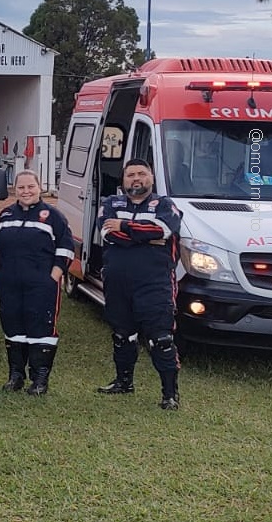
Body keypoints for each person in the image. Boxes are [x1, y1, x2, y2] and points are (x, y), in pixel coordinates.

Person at [96, 159, 184, 410]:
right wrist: (145, 235)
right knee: (122, 334)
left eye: (141, 174)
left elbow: (163, 230)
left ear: (152, 178)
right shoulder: (110, 203)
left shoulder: (165, 205)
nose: (136, 178)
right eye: (130, 174)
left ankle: (169, 394)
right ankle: (124, 382)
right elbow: (107, 233)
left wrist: (124, 226)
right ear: (122, 180)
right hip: (117, 282)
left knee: (161, 338)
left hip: (154, 283)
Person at [0, 170, 74, 395]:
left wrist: (53, 276)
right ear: (15, 189)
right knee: (13, 327)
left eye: (30, 187)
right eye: (21, 187)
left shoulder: (53, 216)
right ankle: (16, 376)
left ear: (39, 188)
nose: (26, 191)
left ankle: (39, 379)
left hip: (41, 284)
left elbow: (66, 249)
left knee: (41, 328)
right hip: (10, 284)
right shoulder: (5, 215)